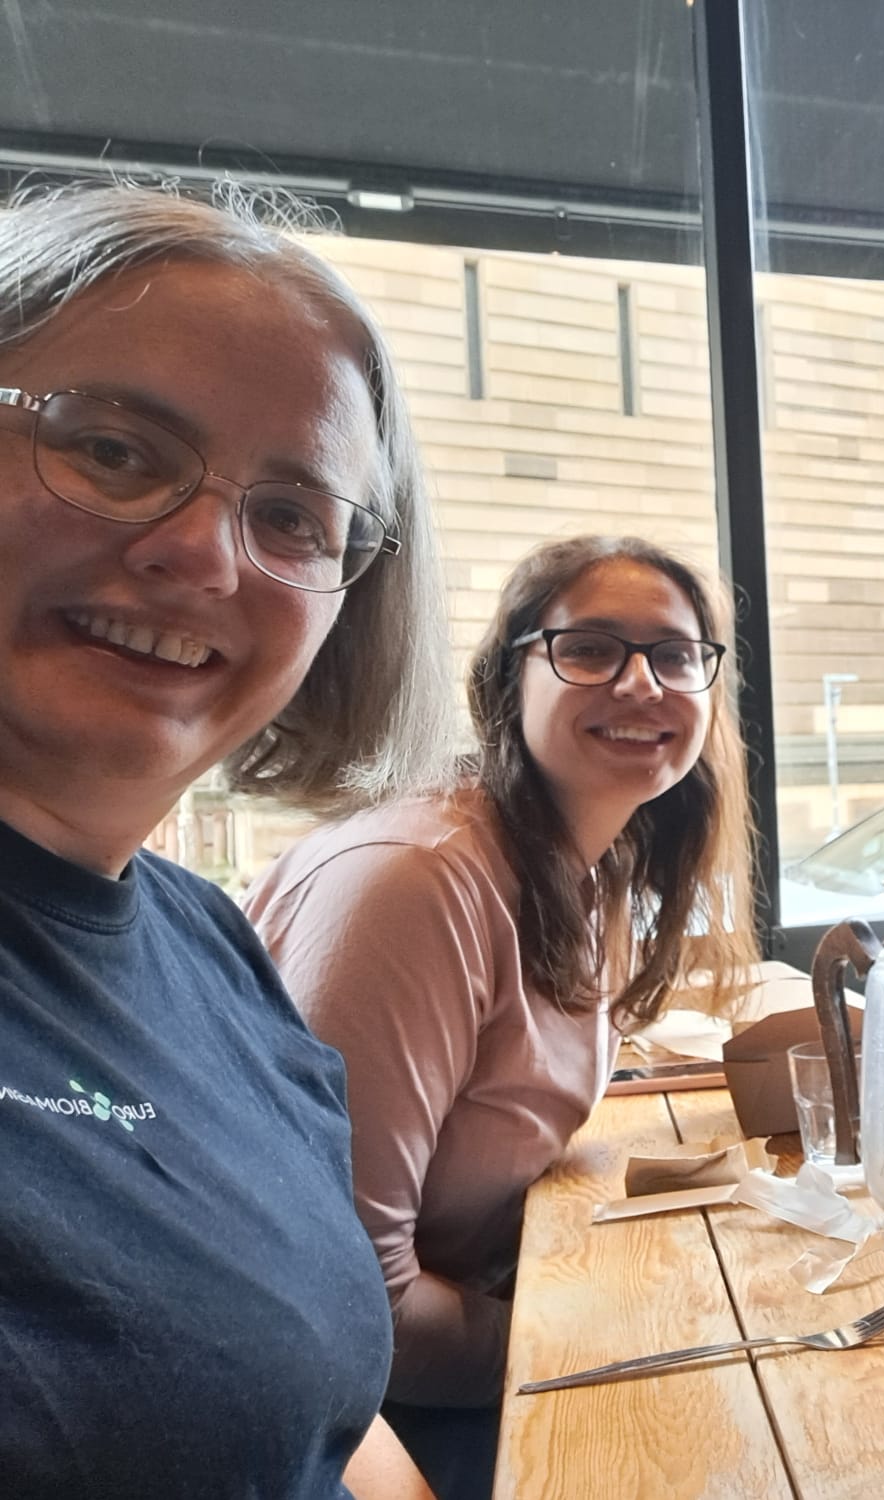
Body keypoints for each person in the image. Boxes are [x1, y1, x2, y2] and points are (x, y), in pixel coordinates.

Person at [0, 184, 455, 1498]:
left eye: (293, 516)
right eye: (113, 450)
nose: (204, 554)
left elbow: (324, 1408)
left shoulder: (202, 937)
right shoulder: (408, 875)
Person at [246, 534, 758, 1499]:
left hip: (456, 1344)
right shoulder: (418, 882)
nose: (641, 683)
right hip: (349, 1420)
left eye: (675, 654)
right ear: (506, 678)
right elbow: (349, 1300)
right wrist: (574, 1340)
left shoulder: (586, 869)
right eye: (590, 648)